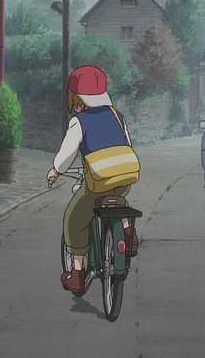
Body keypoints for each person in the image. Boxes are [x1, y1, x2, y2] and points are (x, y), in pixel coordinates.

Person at [47, 65, 140, 293]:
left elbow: (68, 153)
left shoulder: (79, 121)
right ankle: (128, 232)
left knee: (74, 218)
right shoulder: (117, 115)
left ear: (76, 97)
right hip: (126, 175)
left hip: (98, 182)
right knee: (119, 198)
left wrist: (56, 170)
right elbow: (127, 143)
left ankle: (77, 274)